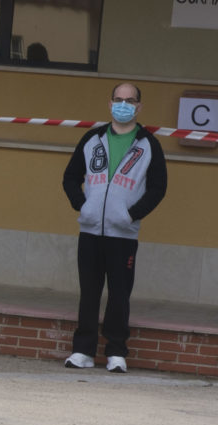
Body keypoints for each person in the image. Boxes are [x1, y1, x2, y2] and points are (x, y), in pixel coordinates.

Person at [62, 83, 167, 374]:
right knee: (89, 293)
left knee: (119, 294)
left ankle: (117, 352)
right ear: (110, 104)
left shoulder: (148, 144)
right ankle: (82, 351)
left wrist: (132, 215)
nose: (123, 105)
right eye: (118, 100)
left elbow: (159, 188)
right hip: (91, 231)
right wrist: (82, 206)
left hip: (123, 235)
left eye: (130, 101)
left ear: (139, 107)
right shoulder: (92, 138)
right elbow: (70, 178)